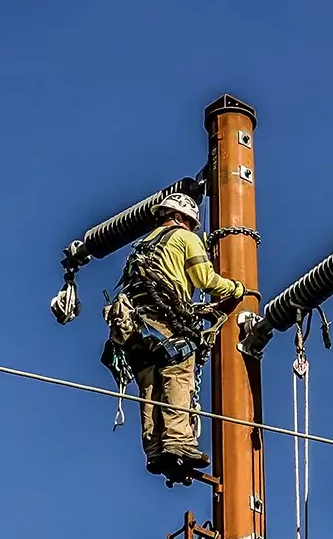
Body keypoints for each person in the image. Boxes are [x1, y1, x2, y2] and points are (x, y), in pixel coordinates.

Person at [106, 191, 247, 482]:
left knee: (149, 384)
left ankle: (155, 449)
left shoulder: (142, 245)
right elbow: (205, 280)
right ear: (182, 218)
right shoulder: (185, 238)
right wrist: (237, 290)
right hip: (163, 321)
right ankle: (177, 442)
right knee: (178, 371)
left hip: (131, 324)